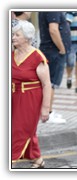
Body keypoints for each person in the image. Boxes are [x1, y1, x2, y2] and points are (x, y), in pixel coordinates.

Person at [12, 20, 51, 168]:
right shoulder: (10, 54)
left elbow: (47, 84)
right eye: (13, 34)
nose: (13, 37)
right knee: (27, 130)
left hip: (30, 99)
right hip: (13, 96)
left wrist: (45, 108)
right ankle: (38, 159)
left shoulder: (37, 57)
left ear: (27, 37)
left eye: (17, 35)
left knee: (18, 130)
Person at [38, 12, 71, 123]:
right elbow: (53, 30)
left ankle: (48, 111)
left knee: (49, 83)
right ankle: (48, 114)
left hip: (51, 50)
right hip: (54, 51)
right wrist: (62, 49)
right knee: (51, 83)